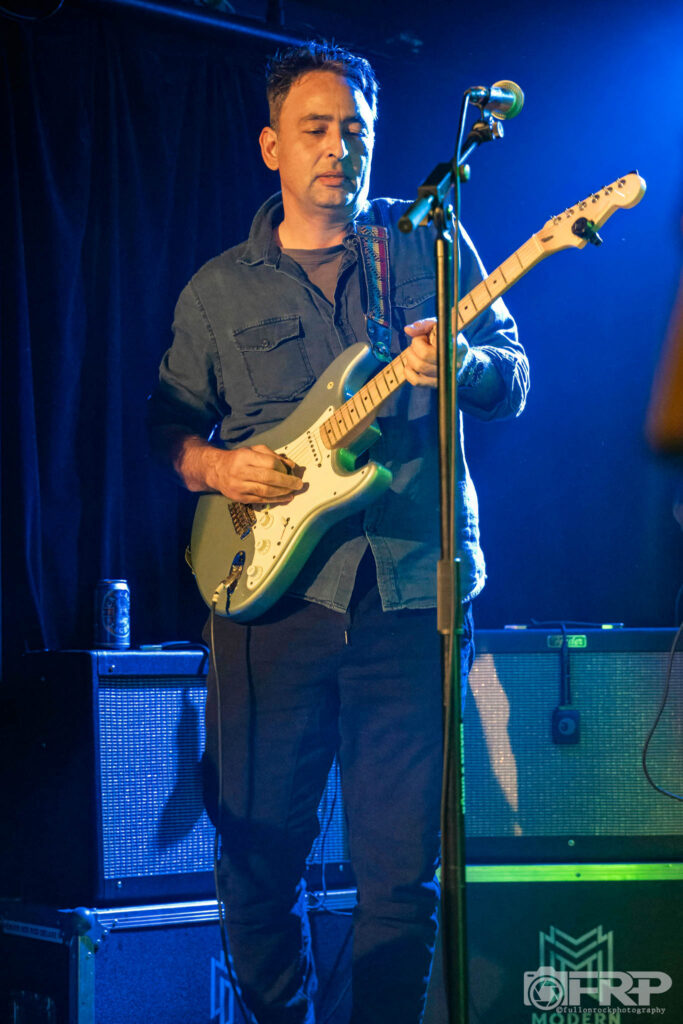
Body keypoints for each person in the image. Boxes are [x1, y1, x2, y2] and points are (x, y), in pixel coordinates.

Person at [148, 42, 529, 1024]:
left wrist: (464, 368)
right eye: (314, 128)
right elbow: (167, 426)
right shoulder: (219, 290)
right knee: (255, 858)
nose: (337, 147)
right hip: (269, 605)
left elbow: (513, 377)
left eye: (354, 129)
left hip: (410, 593)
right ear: (271, 145)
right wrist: (216, 467)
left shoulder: (428, 246)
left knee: (402, 871)